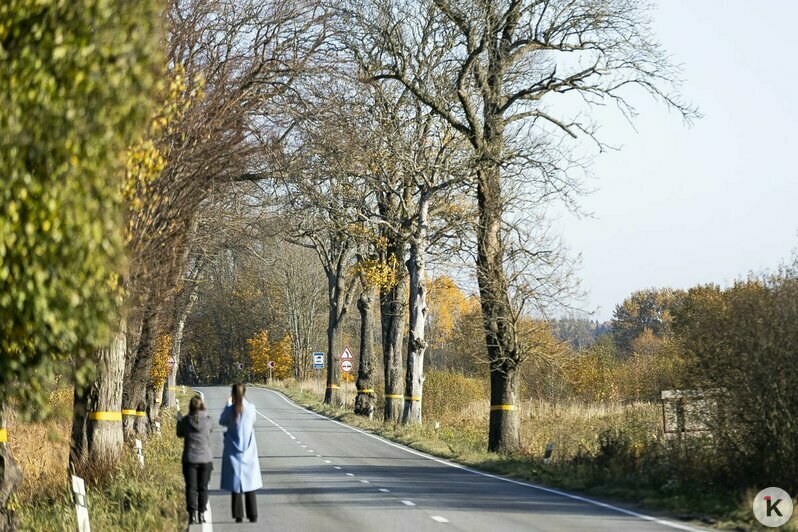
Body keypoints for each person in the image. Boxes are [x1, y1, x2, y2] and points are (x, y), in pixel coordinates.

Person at [219, 383, 261, 523]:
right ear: (245, 393)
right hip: (249, 451)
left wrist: (228, 404)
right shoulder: (251, 409)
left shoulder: (231, 410)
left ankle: (238, 515)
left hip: (233, 451)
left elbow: (222, 421)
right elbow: (253, 420)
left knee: (235, 484)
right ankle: (253, 514)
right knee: (250, 483)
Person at [176, 395, 213, 525]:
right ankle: (202, 513)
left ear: (190, 407)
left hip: (190, 458)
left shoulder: (186, 421)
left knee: (191, 487)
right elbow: (210, 431)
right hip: (205, 459)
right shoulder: (208, 421)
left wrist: (179, 421)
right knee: (203, 487)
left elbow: (179, 434)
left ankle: (192, 514)